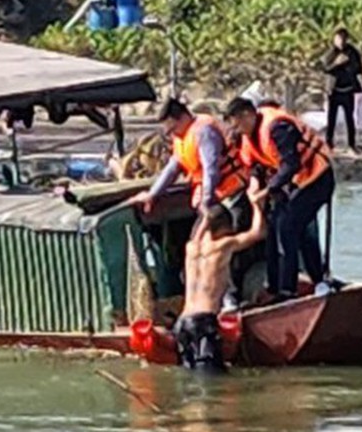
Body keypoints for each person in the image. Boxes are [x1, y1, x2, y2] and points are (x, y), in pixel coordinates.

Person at [129, 98, 251, 308]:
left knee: (224, 248)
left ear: (183, 118)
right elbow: (173, 168)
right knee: (196, 247)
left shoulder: (204, 132)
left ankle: (232, 298)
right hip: (213, 200)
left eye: (173, 128)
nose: (171, 134)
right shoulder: (182, 137)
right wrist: (153, 194)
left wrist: (206, 201)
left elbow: (211, 168)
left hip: (232, 196)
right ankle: (211, 299)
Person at [226, 97, 334, 303]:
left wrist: (267, 191)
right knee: (276, 225)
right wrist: (255, 184)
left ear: (248, 115)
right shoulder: (249, 137)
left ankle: (289, 289)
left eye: (238, 125)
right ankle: (276, 285)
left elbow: (290, 164)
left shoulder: (278, 127)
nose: (238, 131)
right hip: (296, 184)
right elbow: (256, 167)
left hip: (318, 179)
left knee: (288, 226)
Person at [175, 184, 266, 372]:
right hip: (203, 322)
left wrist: (204, 214)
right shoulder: (223, 246)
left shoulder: (191, 248)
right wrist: (256, 204)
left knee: (190, 379)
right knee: (211, 380)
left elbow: (204, 225)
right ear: (223, 227)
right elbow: (259, 232)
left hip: (182, 323)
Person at [322, 27, 362, 151]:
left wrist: (349, 66)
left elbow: (359, 68)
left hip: (348, 90)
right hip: (334, 91)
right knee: (331, 119)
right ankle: (329, 143)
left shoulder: (352, 52)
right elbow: (326, 68)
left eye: (343, 38)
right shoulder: (330, 54)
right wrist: (337, 63)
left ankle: (351, 144)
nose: (341, 41)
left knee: (349, 118)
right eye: (338, 38)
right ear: (334, 39)